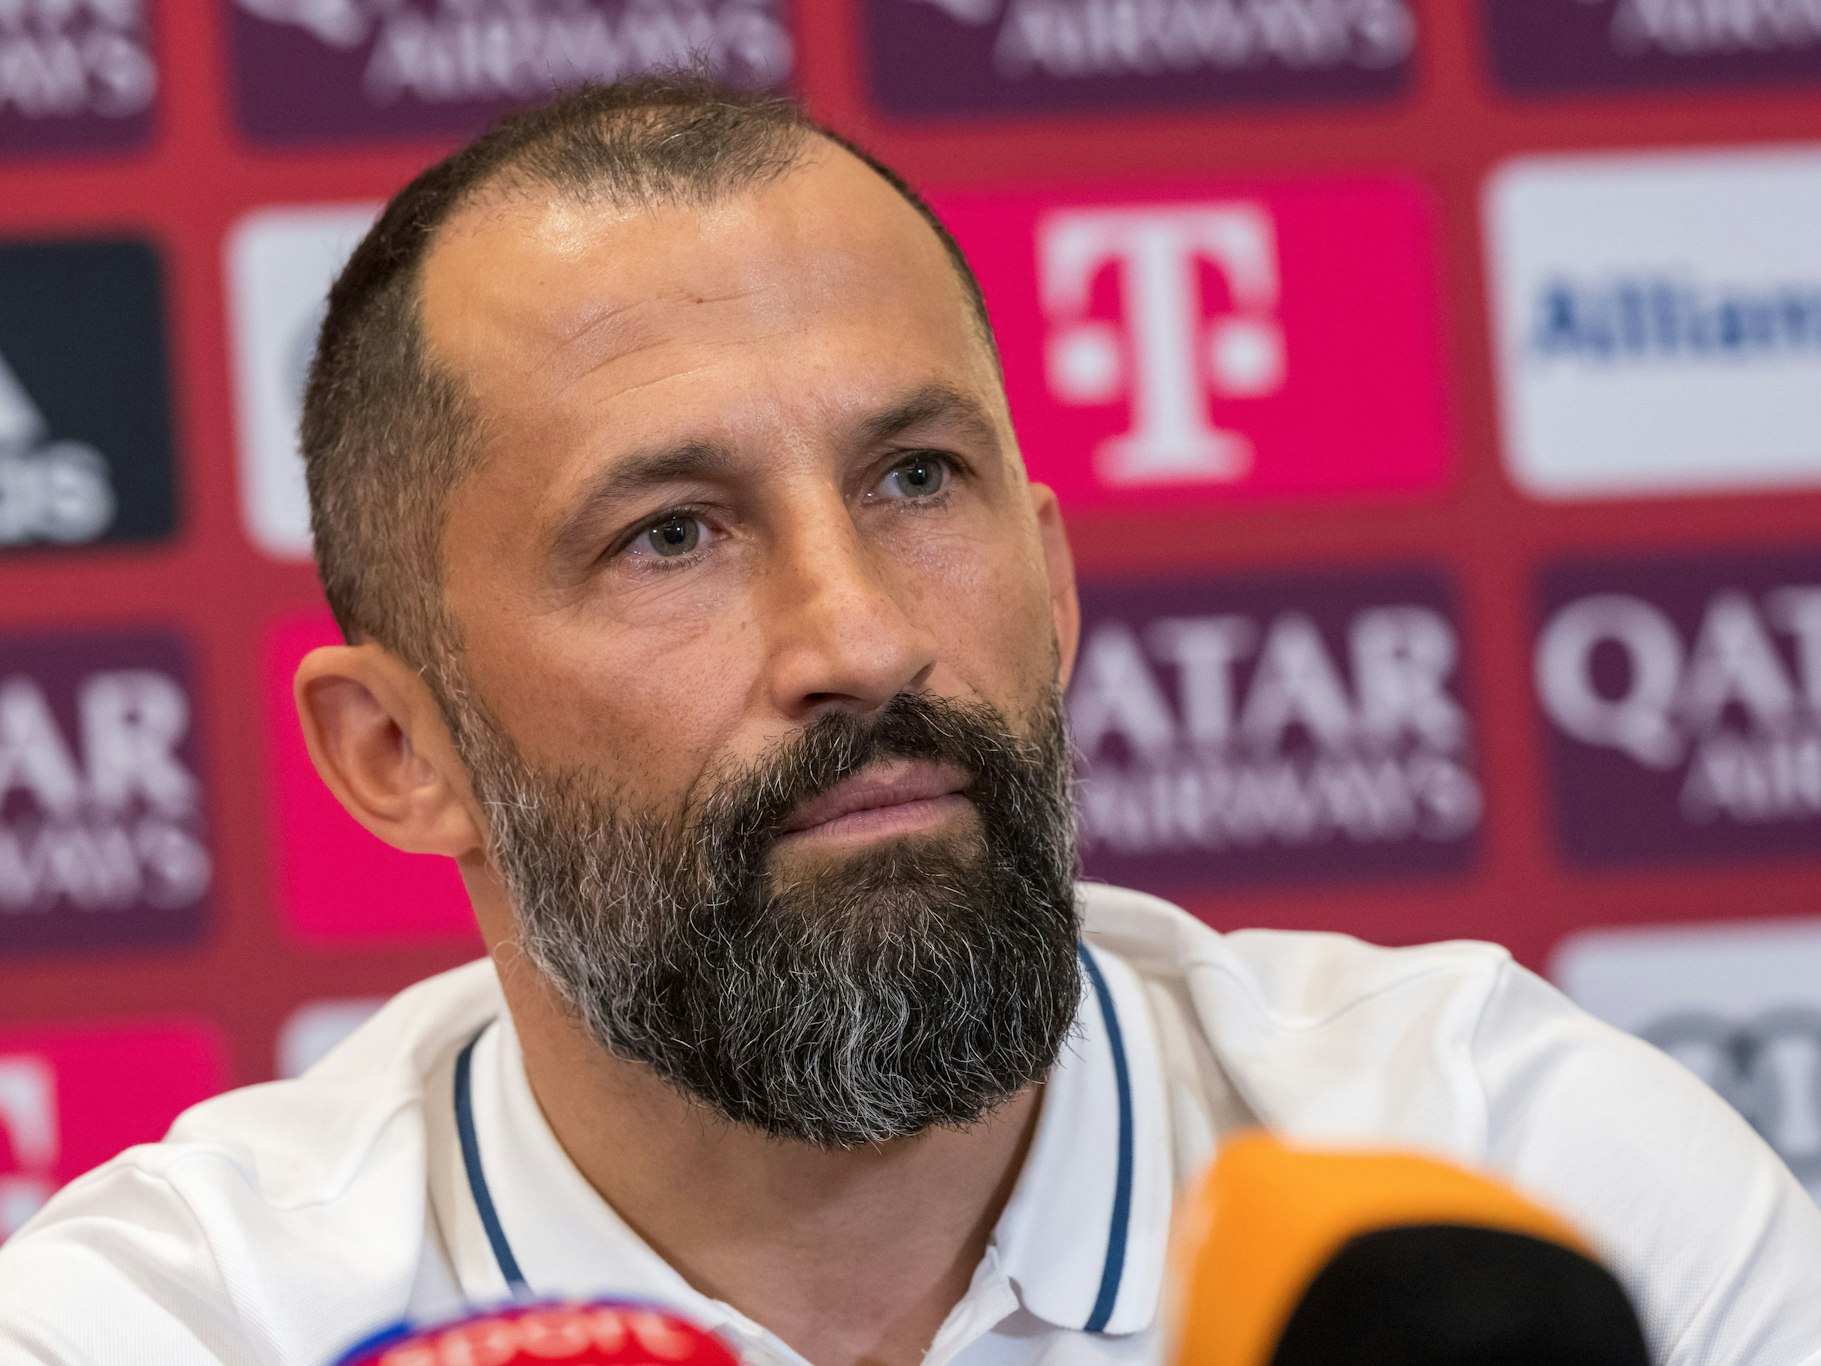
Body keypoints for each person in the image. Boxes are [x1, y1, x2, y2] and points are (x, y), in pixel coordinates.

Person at [0, 75, 1816, 1366]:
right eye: (672, 536)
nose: (859, 636)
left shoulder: (1514, 1183)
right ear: (400, 753)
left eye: (916, 478)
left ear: (1057, 580)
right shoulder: (173, 1328)